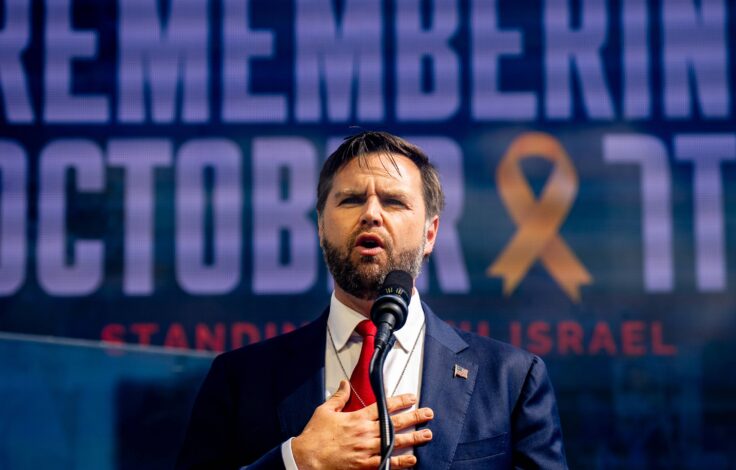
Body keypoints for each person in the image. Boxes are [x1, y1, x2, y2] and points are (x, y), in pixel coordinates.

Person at [176, 131, 567, 469]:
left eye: (394, 202)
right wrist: (296, 462)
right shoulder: (241, 379)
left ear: (430, 234)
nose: (371, 214)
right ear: (319, 227)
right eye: (350, 200)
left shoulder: (511, 381)